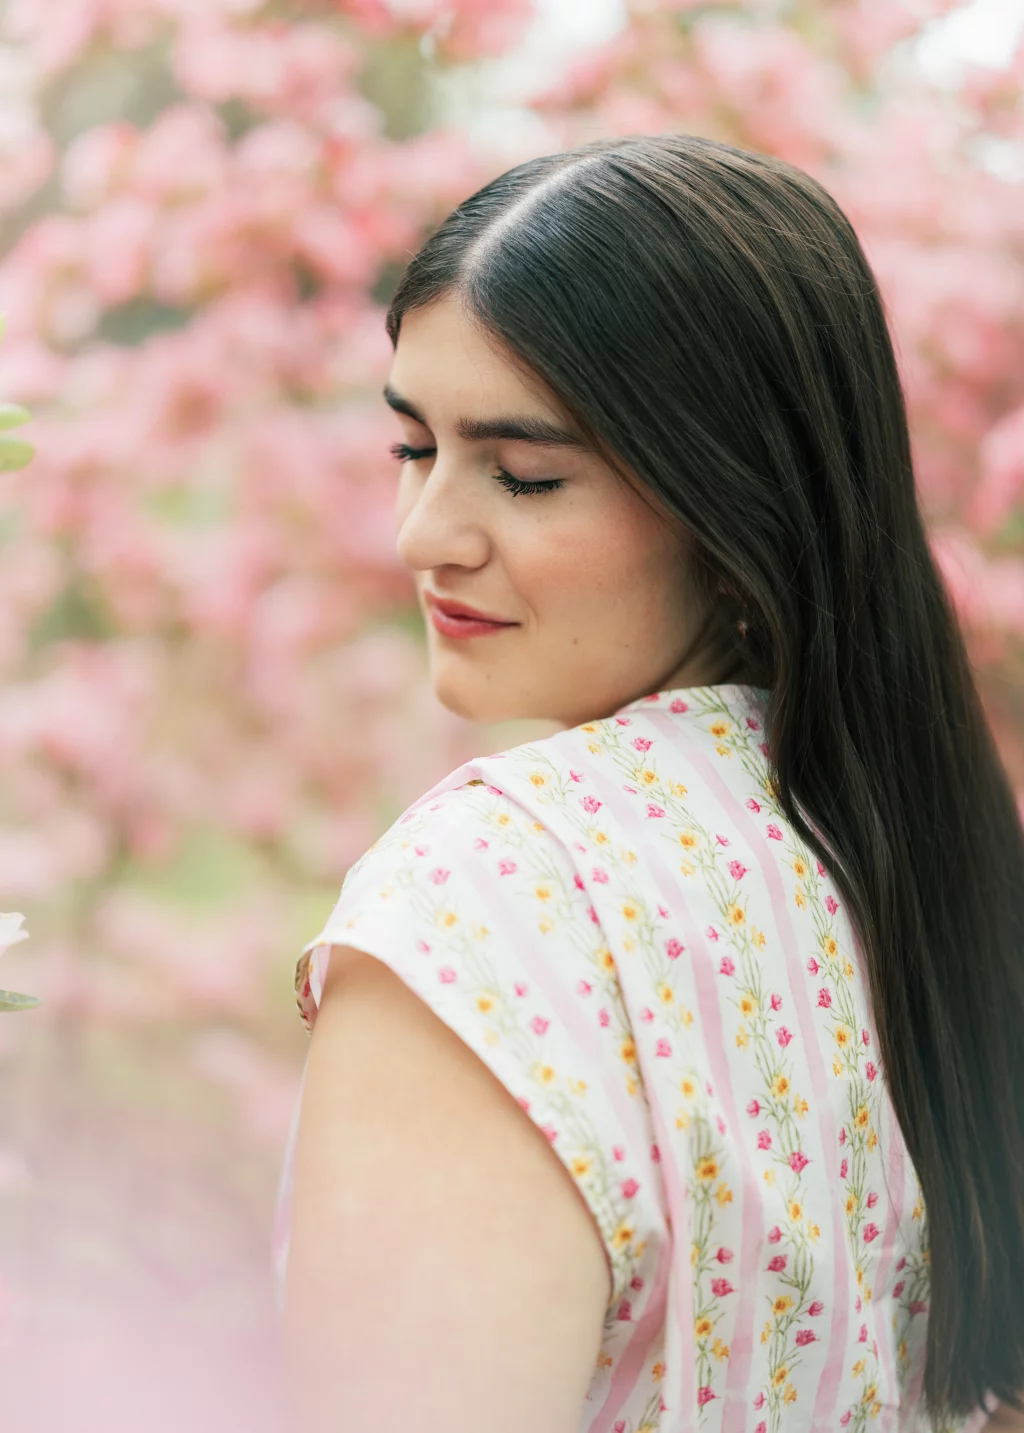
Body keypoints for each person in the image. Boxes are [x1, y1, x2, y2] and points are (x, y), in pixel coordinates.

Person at [272, 133, 1024, 1433]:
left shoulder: (491, 895)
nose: (425, 536)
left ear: (733, 497)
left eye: (525, 474)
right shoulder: (893, 857)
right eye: (414, 449)